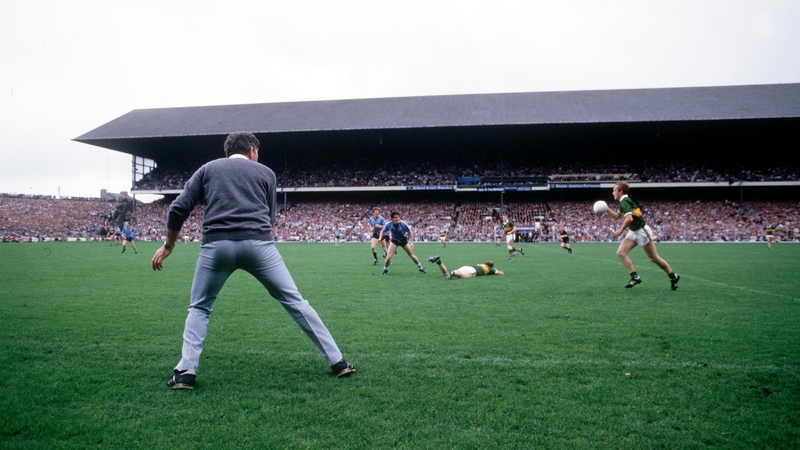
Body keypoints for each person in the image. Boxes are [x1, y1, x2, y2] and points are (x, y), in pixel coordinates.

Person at [151, 131, 354, 390]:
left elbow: (178, 208)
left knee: (200, 308)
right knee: (295, 301)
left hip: (216, 246)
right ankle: (338, 361)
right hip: (259, 246)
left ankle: (185, 373)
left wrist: (169, 245)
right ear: (251, 150)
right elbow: (269, 219)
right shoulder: (267, 173)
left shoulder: (207, 169)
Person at [606, 181, 680, 290]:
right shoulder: (624, 201)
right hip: (633, 231)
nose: (612, 193)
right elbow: (617, 216)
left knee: (654, 258)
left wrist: (619, 231)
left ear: (620, 191)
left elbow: (629, 218)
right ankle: (635, 277)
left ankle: (673, 276)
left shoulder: (624, 201)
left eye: (614, 190)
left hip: (641, 231)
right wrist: (606, 208)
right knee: (621, 253)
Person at [427, 255, 504, 279]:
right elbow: (501, 273)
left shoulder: (481, 264)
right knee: (461, 275)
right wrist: (496, 270)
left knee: (445, 274)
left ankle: (438, 261)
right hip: (472, 271)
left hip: (468, 267)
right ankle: (452, 273)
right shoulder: (489, 269)